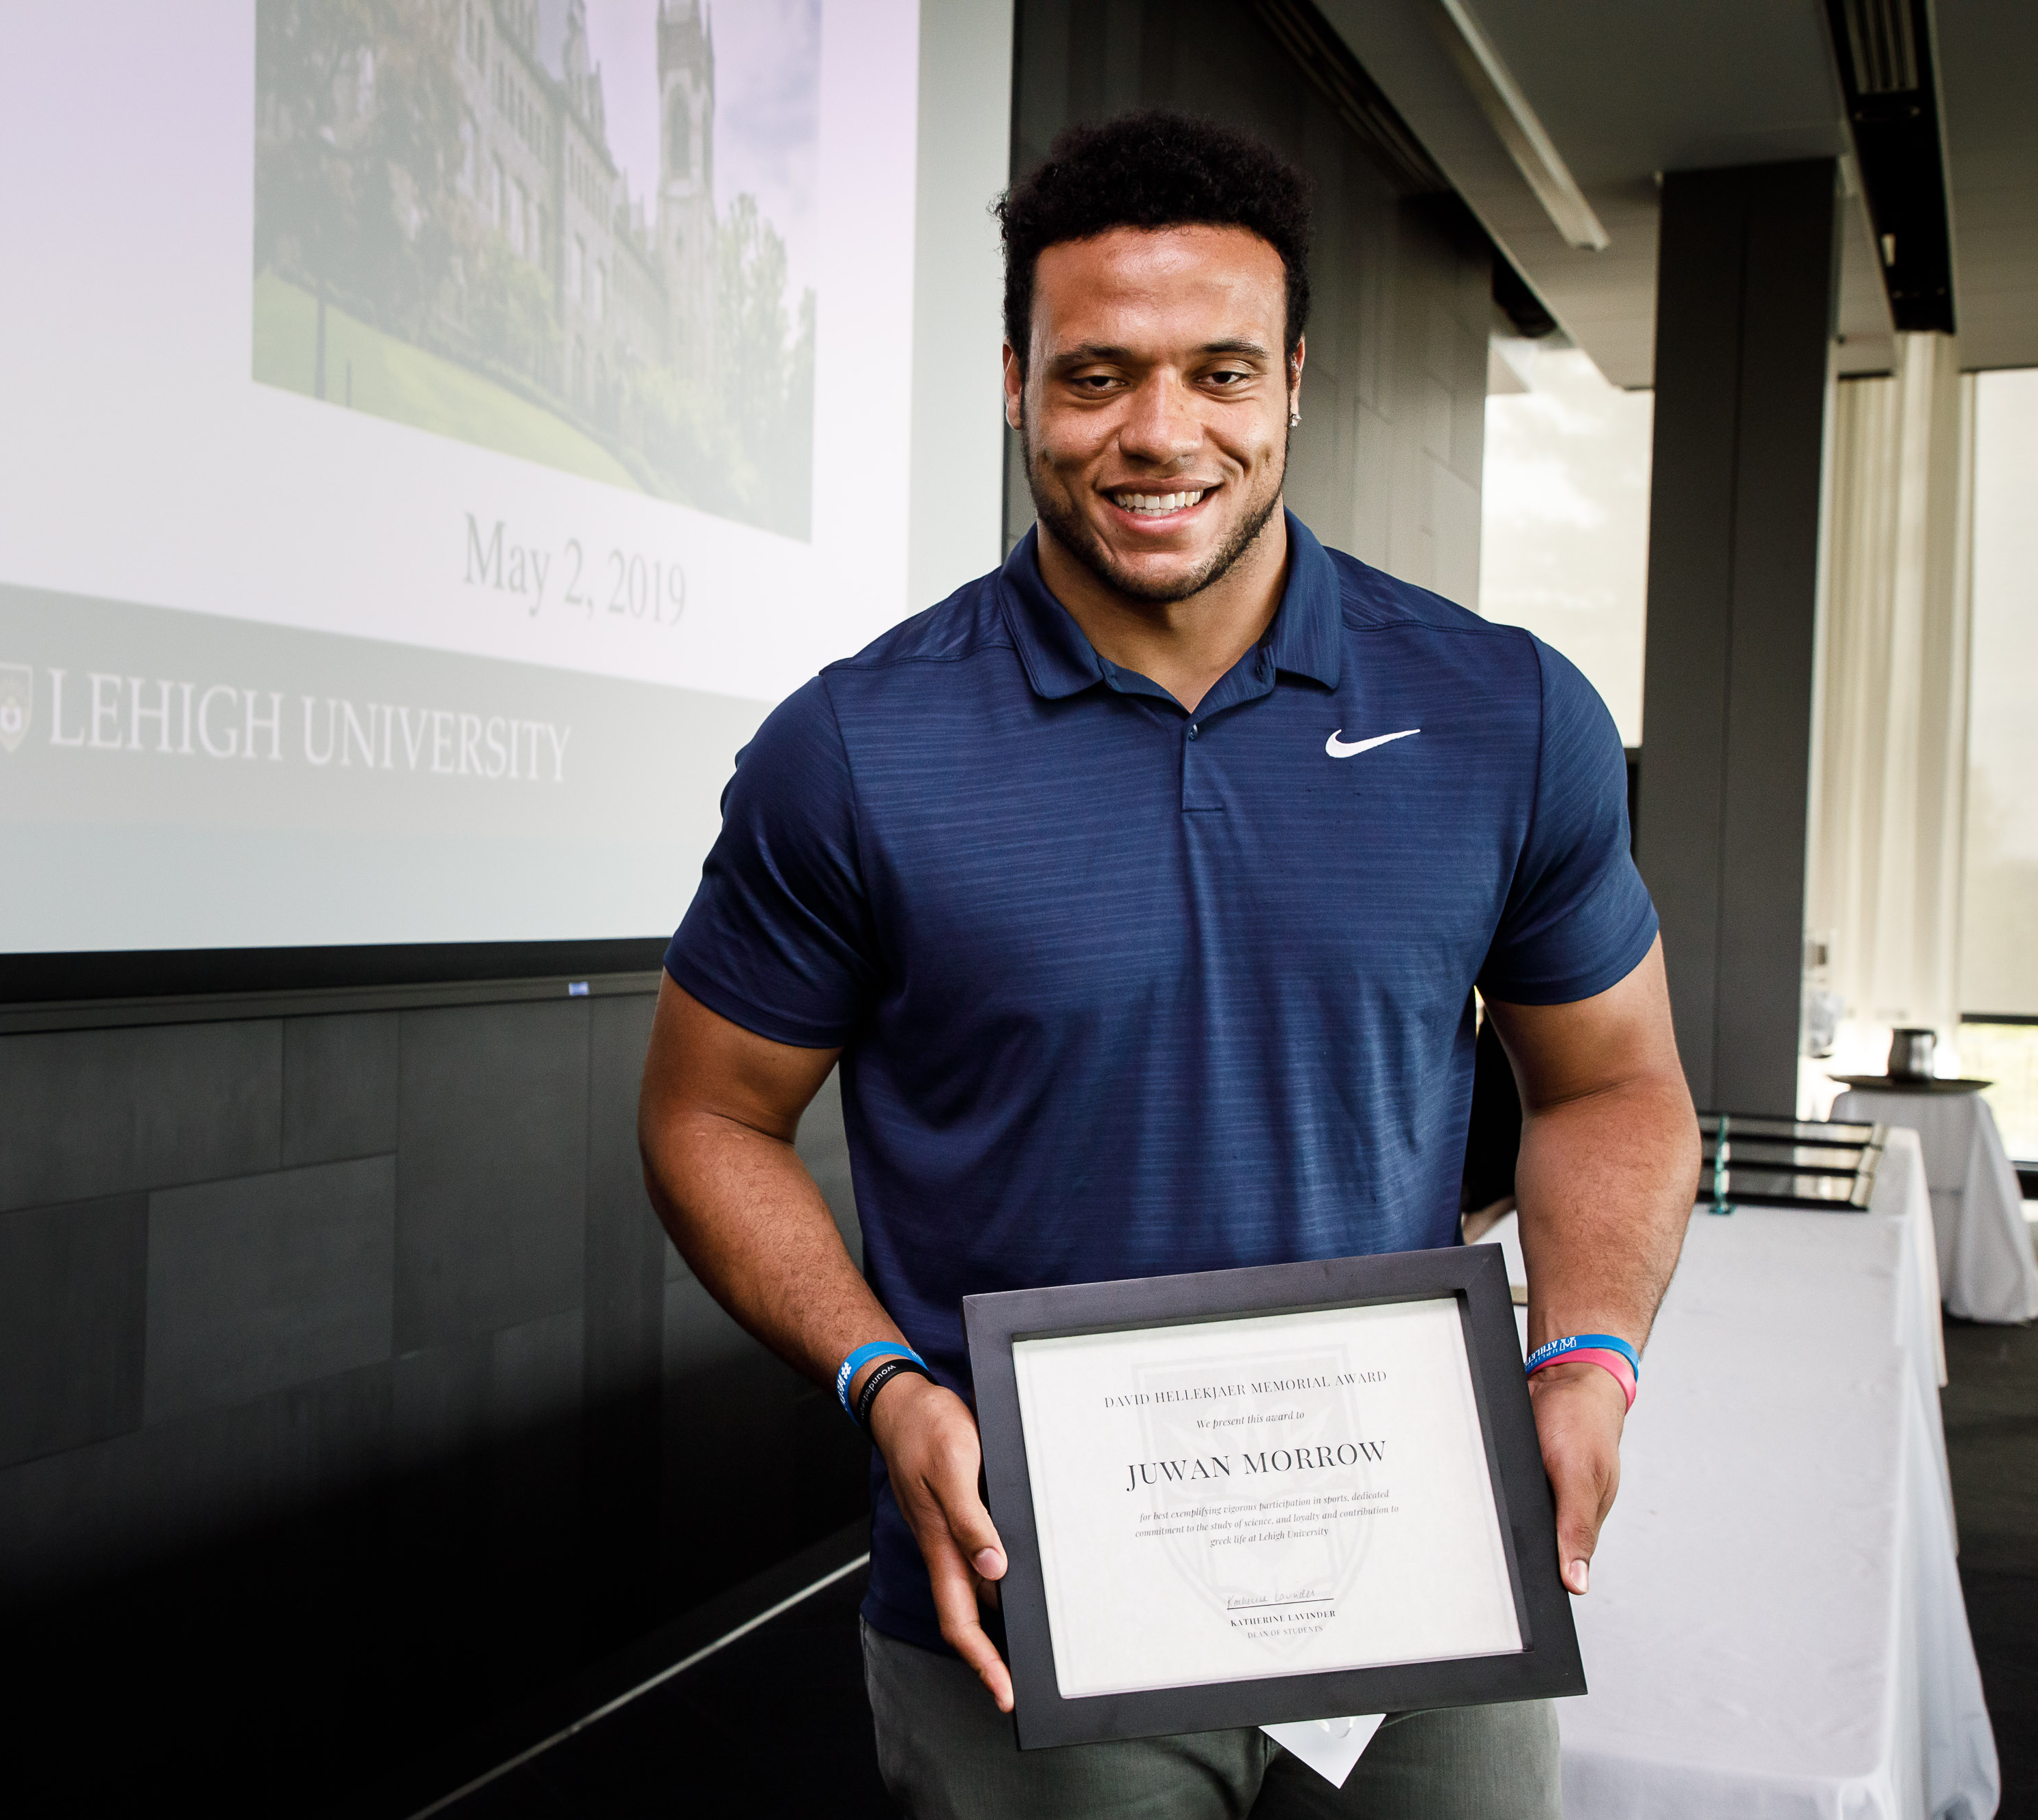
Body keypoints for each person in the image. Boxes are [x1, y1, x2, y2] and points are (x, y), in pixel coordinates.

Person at [637, 109, 1697, 1818]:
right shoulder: (854, 748)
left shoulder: (1505, 712)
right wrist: (879, 1380)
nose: (1157, 433)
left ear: (1292, 380)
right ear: (1010, 383)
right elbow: (704, 1116)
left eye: (1216, 373)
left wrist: (1586, 1357)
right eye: (1094, 375)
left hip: (1421, 1580)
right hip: (1020, 1598)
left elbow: (1614, 1084)